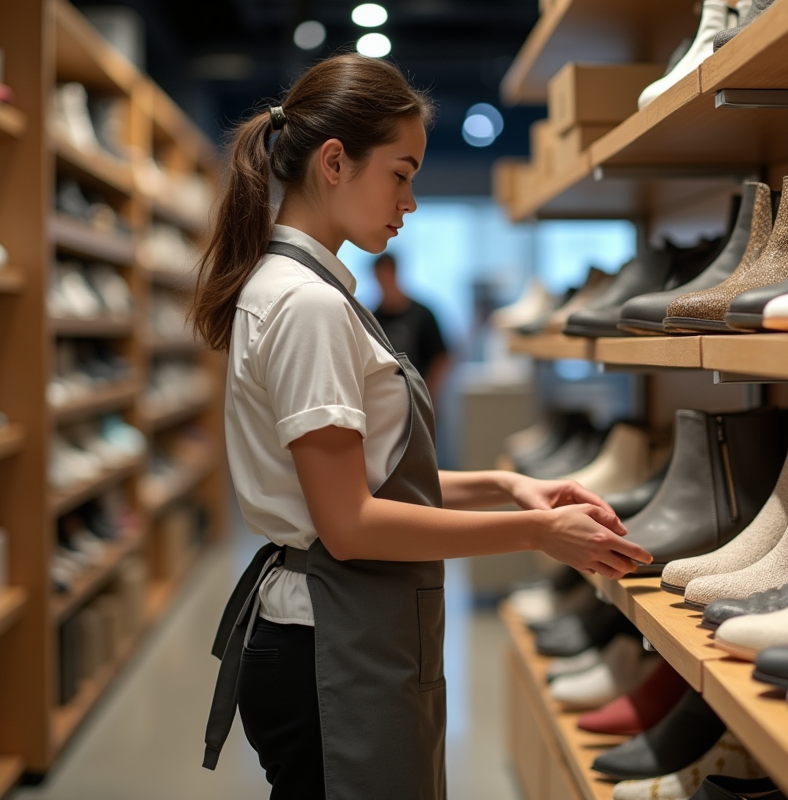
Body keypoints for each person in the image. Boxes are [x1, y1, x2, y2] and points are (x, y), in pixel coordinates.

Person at [190, 53, 650, 800]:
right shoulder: (307, 308)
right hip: (328, 648)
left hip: (336, 633)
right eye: (400, 174)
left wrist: (508, 485)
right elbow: (351, 523)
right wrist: (533, 535)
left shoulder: (302, 291)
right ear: (335, 162)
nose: (409, 201)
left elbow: (362, 479)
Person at [370, 253, 449, 402]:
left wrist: (431, 397)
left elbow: (440, 359)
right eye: (379, 276)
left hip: (417, 396)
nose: (383, 281)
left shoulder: (422, 314)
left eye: (386, 274)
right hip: (385, 399)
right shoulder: (373, 319)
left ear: (395, 273)